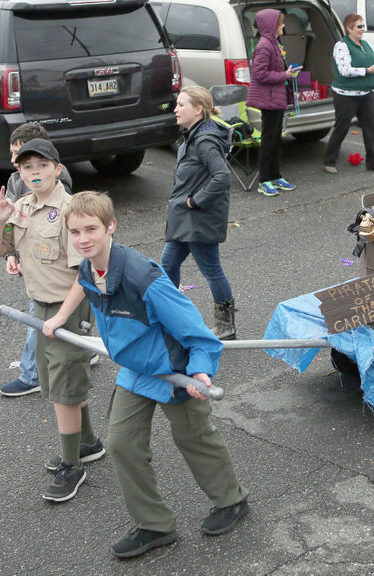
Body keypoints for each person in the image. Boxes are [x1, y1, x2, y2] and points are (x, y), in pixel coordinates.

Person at [45, 192, 249, 559]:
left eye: (91, 229)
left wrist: (200, 371)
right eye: (75, 232)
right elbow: (85, 288)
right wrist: (60, 317)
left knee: (194, 438)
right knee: (123, 443)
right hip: (136, 369)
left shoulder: (145, 277)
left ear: (111, 227)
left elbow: (199, 334)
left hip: (175, 370)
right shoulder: (90, 268)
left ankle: (232, 501)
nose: (83, 239)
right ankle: (155, 524)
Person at [0, 138, 102, 503]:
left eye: (41, 166)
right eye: (26, 167)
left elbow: (86, 275)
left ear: (58, 169)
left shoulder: (71, 210)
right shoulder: (20, 207)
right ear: (18, 172)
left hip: (70, 305)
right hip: (42, 307)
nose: (34, 173)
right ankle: (88, 444)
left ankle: (72, 465)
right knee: (57, 381)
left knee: (64, 388)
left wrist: (63, 317)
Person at [0, 123, 77, 397]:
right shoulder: (15, 179)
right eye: (18, 160)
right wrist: (10, 254)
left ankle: (31, 374)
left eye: (19, 154)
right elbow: (10, 225)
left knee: (42, 321)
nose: (15, 162)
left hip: (54, 276)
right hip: (33, 270)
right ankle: (80, 347)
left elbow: (55, 232)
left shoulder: (59, 189)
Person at [162, 85, 237, 340]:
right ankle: (170, 317)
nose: (176, 109)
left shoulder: (204, 141)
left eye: (181, 105)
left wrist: (195, 201)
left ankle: (226, 325)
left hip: (197, 220)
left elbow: (222, 177)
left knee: (211, 270)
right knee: (167, 264)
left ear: (198, 109)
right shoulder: (193, 135)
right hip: (184, 219)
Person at [323, 13, 374, 174]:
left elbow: (370, 63)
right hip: (346, 95)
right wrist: (368, 70)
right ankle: (329, 161)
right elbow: (344, 70)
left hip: (366, 93)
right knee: (342, 127)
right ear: (349, 28)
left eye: (363, 26)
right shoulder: (341, 46)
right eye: (359, 26)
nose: (362, 29)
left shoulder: (364, 44)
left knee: (370, 128)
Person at [246, 8, 298, 197]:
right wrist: (285, 75)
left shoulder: (275, 43)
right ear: (271, 26)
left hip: (277, 97)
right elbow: (259, 74)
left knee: (277, 139)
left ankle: (276, 176)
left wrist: (288, 71)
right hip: (269, 100)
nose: (283, 25)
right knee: (268, 140)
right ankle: (264, 180)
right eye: (280, 23)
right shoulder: (264, 46)